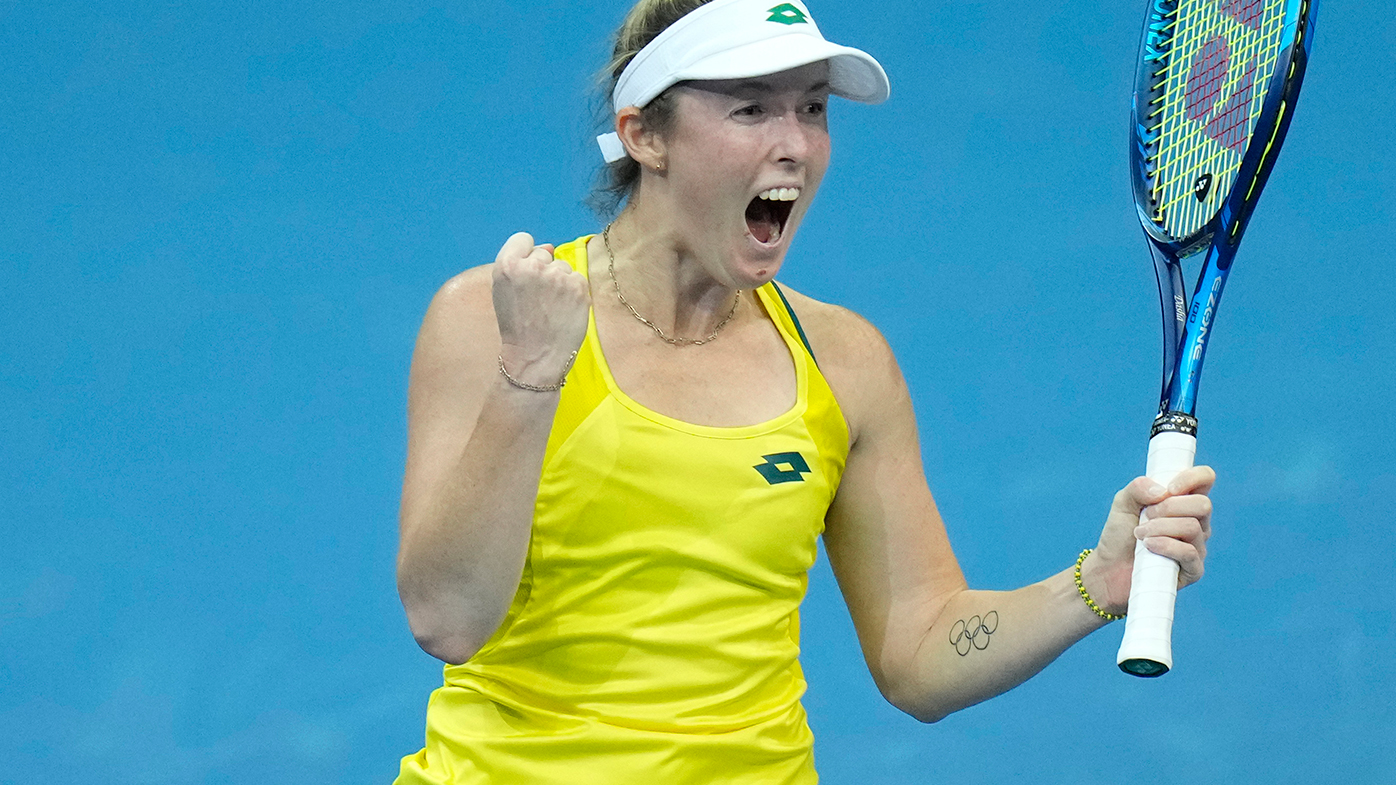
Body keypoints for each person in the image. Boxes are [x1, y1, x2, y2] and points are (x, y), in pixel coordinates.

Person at [393, 0, 1214, 782]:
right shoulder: (497, 318)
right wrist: (531, 376)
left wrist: (1092, 585)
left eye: (813, 110)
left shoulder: (844, 363)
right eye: (751, 110)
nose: (796, 145)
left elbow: (920, 654)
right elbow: (448, 619)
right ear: (645, 135)